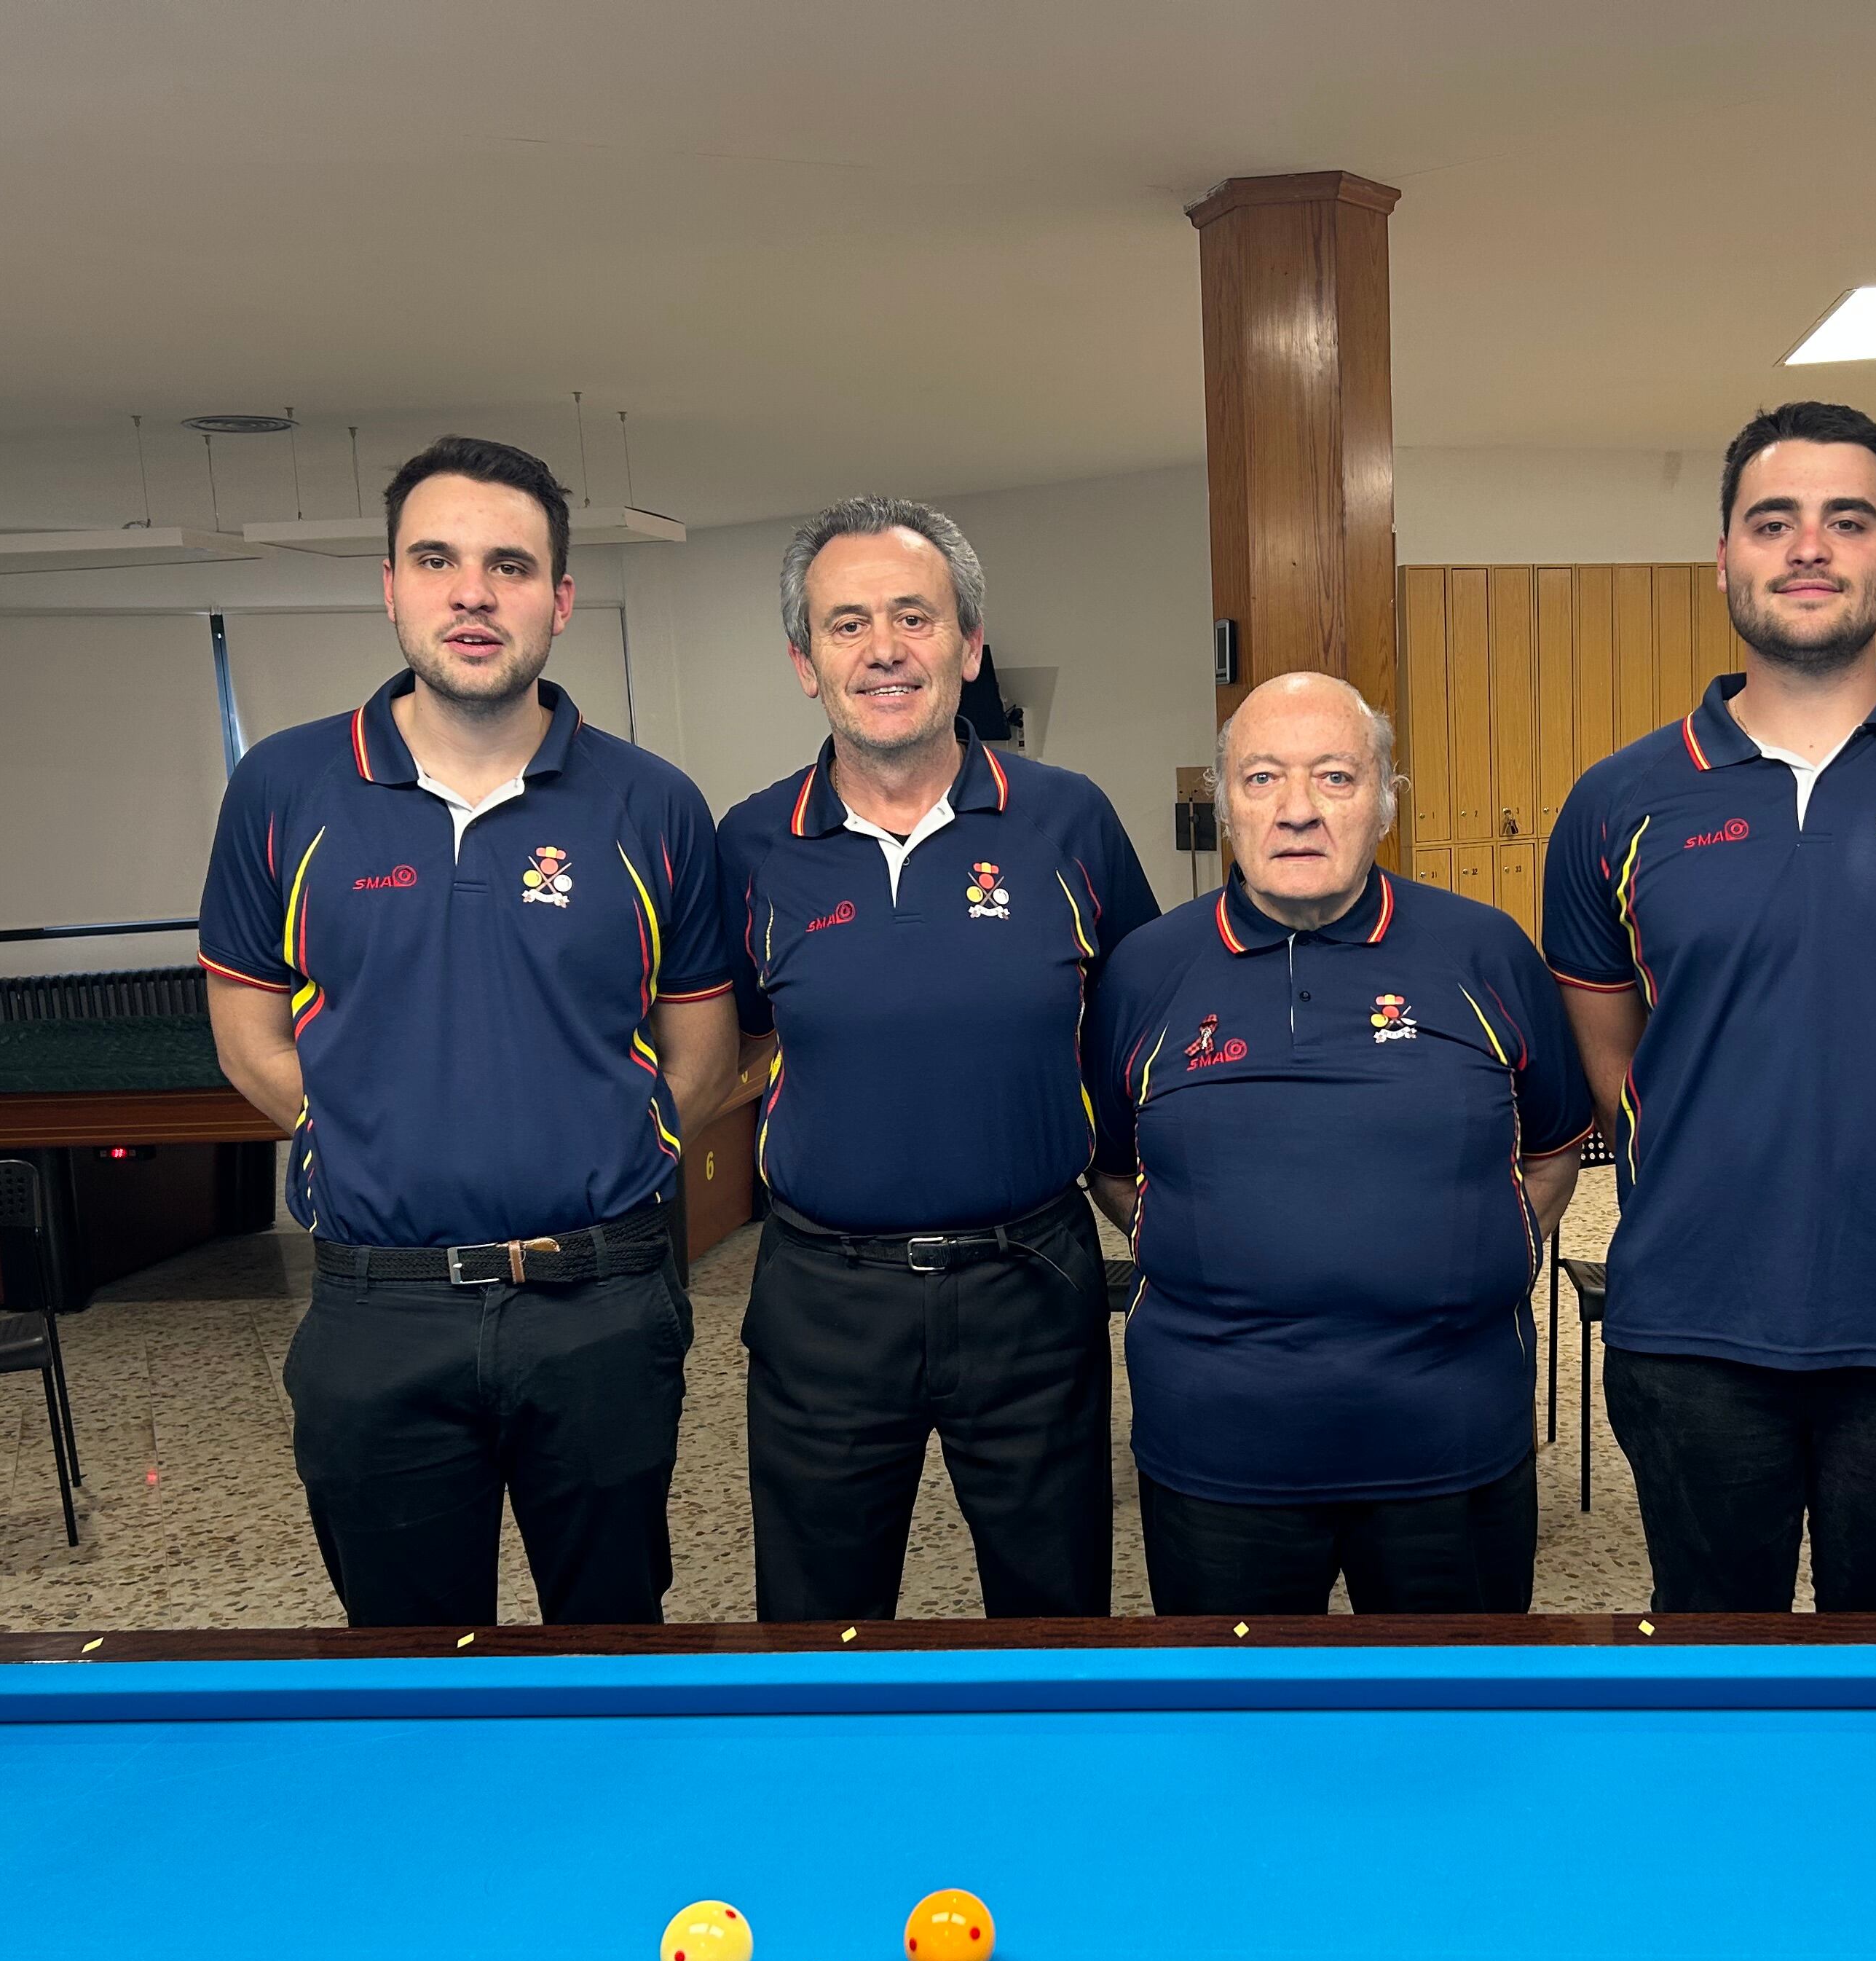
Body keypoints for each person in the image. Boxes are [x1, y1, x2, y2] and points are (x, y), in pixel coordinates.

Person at [1543, 400, 1876, 1613]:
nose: (1810, 547)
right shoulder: (1618, 802)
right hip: (1688, 1322)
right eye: (1773, 521)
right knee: (1710, 1657)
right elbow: (1613, 1063)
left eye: (1849, 520)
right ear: (1726, 556)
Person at [200, 435, 732, 1628]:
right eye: (436, 559)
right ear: (391, 587)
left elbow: (702, 1040)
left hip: (600, 1304)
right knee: (404, 1662)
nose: (473, 593)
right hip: (376, 1311)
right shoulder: (285, 789)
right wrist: (353, 1133)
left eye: (509, 564)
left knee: (611, 1643)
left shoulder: (652, 803)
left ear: (560, 599)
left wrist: (629, 1139)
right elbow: (242, 1022)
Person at [714, 496, 1158, 1622]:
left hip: (1031, 1279)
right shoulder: (751, 843)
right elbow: (736, 1040)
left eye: (915, 617)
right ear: (805, 662)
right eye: (847, 624)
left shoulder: (1069, 823)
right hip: (823, 1292)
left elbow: (1139, 1027)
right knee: (815, 1620)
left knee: (1055, 1612)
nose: (884, 650)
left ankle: (1046, 1801)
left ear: (967, 647)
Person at [1087, 672, 1592, 1615]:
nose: (1298, 812)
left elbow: (1555, 1142)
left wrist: (1493, 1248)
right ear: (1226, 807)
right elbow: (1115, 1164)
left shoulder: (1485, 952)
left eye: (1335, 778)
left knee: (1455, 1733)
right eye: (1263, 779)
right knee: (1237, 1738)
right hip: (1218, 1451)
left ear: (1389, 804)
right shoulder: (1146, 969)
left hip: (1451, 1438)